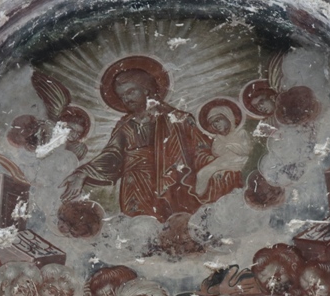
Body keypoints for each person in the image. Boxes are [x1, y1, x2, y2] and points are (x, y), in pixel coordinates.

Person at [60, 56, 214, 222]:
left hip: (170, 185)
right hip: (133, 186)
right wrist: (83, 172)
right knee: (138, 226)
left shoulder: (179, 119)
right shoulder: (125, 125)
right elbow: (112, 155)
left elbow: (202, 152)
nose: (126, 99)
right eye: (122, 96)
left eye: (130, 92)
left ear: (146, 89)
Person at [194, 99, 251, 203]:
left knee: (209, 172)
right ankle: (200, 197)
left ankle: (203, 196)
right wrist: (222, 145)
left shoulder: (241, 132)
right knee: (202, 173)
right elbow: (216, 152)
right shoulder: (219, 137)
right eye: (212, 123)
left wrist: (230, 145)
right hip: (225, 160)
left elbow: (245, 150)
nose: (216, 124)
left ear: (228, 117)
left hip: (239, 160)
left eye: (218, 120)